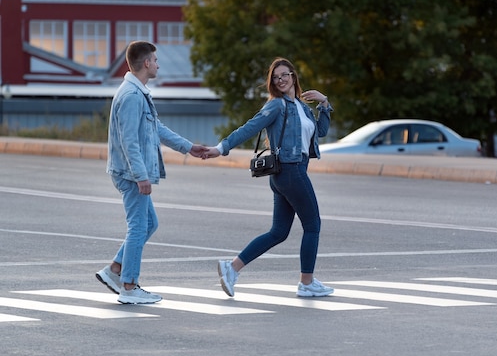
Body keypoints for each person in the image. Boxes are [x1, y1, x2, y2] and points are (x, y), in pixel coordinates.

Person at [204, 57, 334, 298]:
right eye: (276, 77)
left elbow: (321, 131)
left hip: (290, 173)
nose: (280, 80)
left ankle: (232, 268)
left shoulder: (302, 107)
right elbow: (250, 127)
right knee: (313, 226)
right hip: (290, 170)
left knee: (278, 232)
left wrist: (324, 103)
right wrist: (221, 148)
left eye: (284, 75)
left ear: (294, 76)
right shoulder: (277, 106)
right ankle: (307, 283)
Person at [96, 41, 209, 304]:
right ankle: (129, 286)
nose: (158, 64)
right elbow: (129, 141)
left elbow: (157, 128)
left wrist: (189, 147)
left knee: (149, 224)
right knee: (138, 227)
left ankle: (114, 270)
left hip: (133, 172)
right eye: (155, 60)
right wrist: (141, 176)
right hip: (130, 173)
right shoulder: (132, 96)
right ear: (146, 63)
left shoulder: (139, 93)